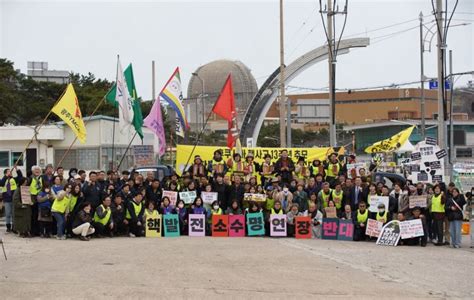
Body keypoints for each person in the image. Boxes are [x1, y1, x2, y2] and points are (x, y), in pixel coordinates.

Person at [0, 168, 22, 233]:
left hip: (14, 199)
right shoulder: (3, 180)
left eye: (10, 171)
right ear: (5, 173)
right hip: (7, 199)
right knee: (8, 214)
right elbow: (1, 183)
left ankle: (14, 227)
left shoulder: (14, 179)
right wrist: (6, 176)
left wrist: (17, 169)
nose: (10, 172)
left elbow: (20, 177)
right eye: (8, 172)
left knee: (14, 214)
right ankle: (8, 227)